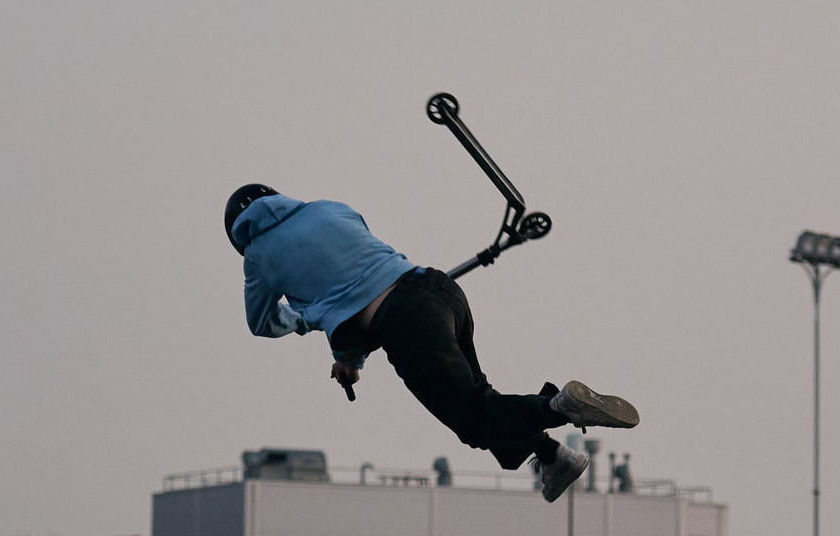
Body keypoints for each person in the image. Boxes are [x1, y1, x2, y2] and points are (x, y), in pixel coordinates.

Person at [224, 185, 637, 502]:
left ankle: (559, 407)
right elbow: (360, 282)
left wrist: (303, 320)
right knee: (481, 400)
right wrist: (348, 353)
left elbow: (261, 321)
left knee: (476, 420)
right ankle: (553, 458)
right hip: (439, 289)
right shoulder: (326, 208)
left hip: (408, 323)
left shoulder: (258, 254)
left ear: (239, 238)